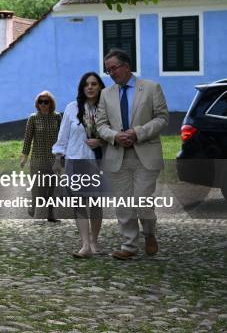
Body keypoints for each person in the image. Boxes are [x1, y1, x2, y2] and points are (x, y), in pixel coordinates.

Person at [96, 48, 168, 260]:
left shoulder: (151, 88)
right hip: (117, 155)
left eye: (114, 68)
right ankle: (129, 245)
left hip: (145, 153)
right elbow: (100, 124)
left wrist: (138, 133)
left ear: (126, 66)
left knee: (142, 199)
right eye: (108, 71)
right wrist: (114, 136)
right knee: (123, 203)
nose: (111, 73)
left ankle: (149, 233)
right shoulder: (105, 94)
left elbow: (163, 118)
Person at [52, 72, 106, 258]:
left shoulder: (106, 109)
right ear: (82, 88)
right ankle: (84, 245)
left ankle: (94, 241)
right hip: (75, 160)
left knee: (95, 204)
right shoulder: (71, 108)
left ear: (100, 87)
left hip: (98, 162)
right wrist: (58, 158)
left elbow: (115, 134)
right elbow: (63, 136)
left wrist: (101, 142)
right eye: (86, 84)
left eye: (94, 84)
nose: (90, 87)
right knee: (79, 204)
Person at [19, 91, 62, 222]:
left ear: (51, 103)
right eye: (40, 102)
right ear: (37, 104)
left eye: (46, 102)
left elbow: (62, 138)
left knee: (53, 188)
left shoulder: (57, 117)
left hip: (54, 158)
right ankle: (33, 204)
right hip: (38, 158)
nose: (43, 104)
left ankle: (51, 213)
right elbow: (28, 139)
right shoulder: (33, 118)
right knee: (38, 188)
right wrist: (24, 157)